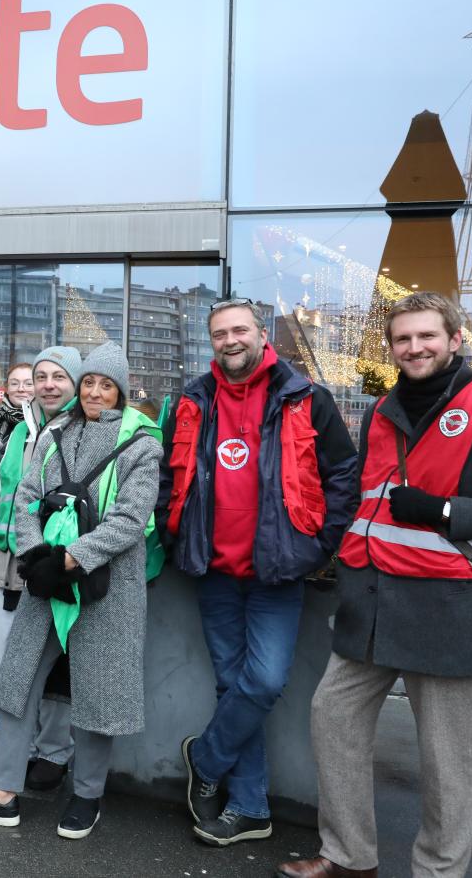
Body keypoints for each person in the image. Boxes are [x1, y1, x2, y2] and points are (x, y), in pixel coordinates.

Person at [278, 293, 472, 878]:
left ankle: (438, 871)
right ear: (392, 348)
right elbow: (369, 502)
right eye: (403, 339)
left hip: (447, 607)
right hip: (372, 603)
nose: (415, 348)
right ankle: (349, 857)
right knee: (333, 721)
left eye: (427, 336)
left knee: (446, 762)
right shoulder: (381, 412)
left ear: (456, 340)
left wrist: (447, 512)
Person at [0, 341, 162, 839]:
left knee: (97, 695)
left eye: (107, 385)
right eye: (89, 383)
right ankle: (2, 795)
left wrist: (66, 559)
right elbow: (24, 495)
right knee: (16, 685)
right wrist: (38, 552)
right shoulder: (55, 431)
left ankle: (87, 796)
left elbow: (131, 519)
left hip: (108, 587)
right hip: (45, 579)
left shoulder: (143, 444)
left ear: (122, 391)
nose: (96, 393)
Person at [159, 299, 359, 846]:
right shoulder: (191, 401)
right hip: (213, 569)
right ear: (211, 341)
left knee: (265, 681)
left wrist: (320, 546)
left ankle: (205, 756)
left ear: (260, 333)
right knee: (232, 685)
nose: (230, 340)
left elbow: (345, 473)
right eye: (220, 332)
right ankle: (249, 808)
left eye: (239, 329)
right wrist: (173, 533)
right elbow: (166, 476)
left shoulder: (304, 397)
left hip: (277, 571)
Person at [0, 346, 82, 790]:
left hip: (59, 567)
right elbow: (2, 499)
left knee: (56, 671)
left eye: (59, 376)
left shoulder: (83, 430)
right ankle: (20, 749)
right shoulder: (21, 431)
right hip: (11, 564)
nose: (48, 385)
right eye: (42, 376)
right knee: (1, 668)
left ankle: (52, 752)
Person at [0, 363, 35, 443]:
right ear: (7, 388)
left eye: (29, 384)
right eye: (14, 384)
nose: (20, 389)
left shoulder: (47, 422)